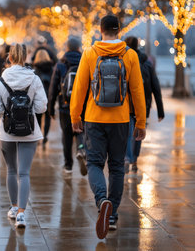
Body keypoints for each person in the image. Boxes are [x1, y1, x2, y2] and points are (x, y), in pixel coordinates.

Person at [70, 15, 146, 239]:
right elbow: (138, 91)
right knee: (116, 166)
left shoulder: (90, 53)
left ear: (100, 30)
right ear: (119, 30)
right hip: (121, 119)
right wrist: (140, 121)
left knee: (94, 162)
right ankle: (111, 214)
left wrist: (75, 116)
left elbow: (80, 88)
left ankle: (101, 200)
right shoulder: (130, 55)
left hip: (94, 118)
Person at [0, 44, 47, 228]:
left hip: (7, 132)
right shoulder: (34, 79)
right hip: (29, 131)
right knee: (24, 172)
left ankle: (13, 208)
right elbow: (41, 107)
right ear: (26, 57)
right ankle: (22, 213)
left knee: (12, 171)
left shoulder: (0, 81)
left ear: (10, 58)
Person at [124, 36, 164, 173]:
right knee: (139, 133)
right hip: (144, 105)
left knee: (128, 133)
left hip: (126, 105)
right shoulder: (147, 63)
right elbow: (156, 87)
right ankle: (134, 159)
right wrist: (160, 110)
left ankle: (127, 158)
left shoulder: (123, 60)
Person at [48, 37, 86, 175]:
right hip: (82, 106)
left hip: (65, 106)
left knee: (67, 135)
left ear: (67, 48)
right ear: (78, 48)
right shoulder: (85, 62)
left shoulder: (60, 64)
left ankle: (68, 165)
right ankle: (81, 149)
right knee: (81, 131)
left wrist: (51, 108)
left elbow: (53, 88)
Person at [33, 49, 54, 146]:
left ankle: (38, 137)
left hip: (38, 97)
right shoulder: (52, 68)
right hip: (49, 96)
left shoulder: (35, 69)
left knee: (38, 117)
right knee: (48, 117)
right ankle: (45, 136)